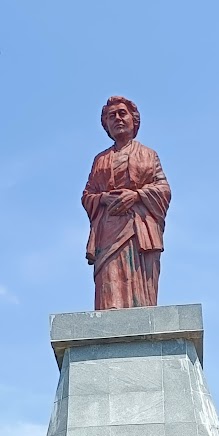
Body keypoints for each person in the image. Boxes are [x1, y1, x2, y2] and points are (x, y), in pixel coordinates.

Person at [81, 95, 170, 309]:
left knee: (142, 295)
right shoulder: (100, 160)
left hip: (141, 231)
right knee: (110, 290)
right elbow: (87, 195)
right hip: (108, 232)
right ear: (107, 125)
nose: (118, 119)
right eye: (112, 116)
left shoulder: (148, 155)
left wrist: (137, 195)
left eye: (122, 113)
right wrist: (103, 198)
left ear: (134, 120)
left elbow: (163, 189)